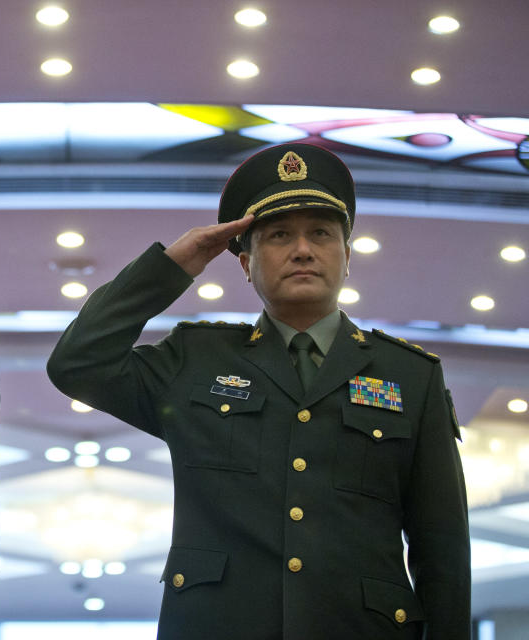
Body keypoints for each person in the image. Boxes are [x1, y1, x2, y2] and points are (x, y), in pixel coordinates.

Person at [47, 143, 470, 639]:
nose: (303, 249)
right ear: (245, 263)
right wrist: (172, 267)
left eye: (321, 234)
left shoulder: (410, 376)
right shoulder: (195, 359)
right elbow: (78, 364)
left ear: (347, 257)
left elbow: (441, 548)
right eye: (278, 236)